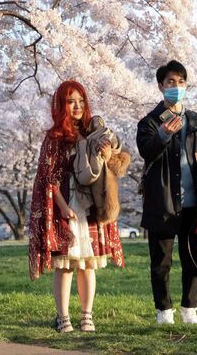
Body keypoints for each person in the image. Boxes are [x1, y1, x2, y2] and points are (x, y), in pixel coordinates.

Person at [29, 80, 125, 333]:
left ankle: (87, 316)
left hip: (90, 204)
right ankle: (63, 317)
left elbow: (111, 166)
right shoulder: (55, 137)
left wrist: (106, 155)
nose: (78, 106)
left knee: (89, 263)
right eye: (72, 101)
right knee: (67, 264)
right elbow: (47, 175)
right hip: (68, 204)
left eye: (81, 101)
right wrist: (60, 205)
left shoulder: (92, 133)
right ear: (62, 104)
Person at [136, 60, 197, 325]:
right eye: (170, 82)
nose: (176, 87)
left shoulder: (195, 120)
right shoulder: (148, 122)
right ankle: (164, 311)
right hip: (162, 203)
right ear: (160, 86)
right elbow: (147, 151)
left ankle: (190, 308)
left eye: (181, 82)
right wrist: (163, 134)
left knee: (192, 257)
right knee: (161, 262)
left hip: (193, 203)